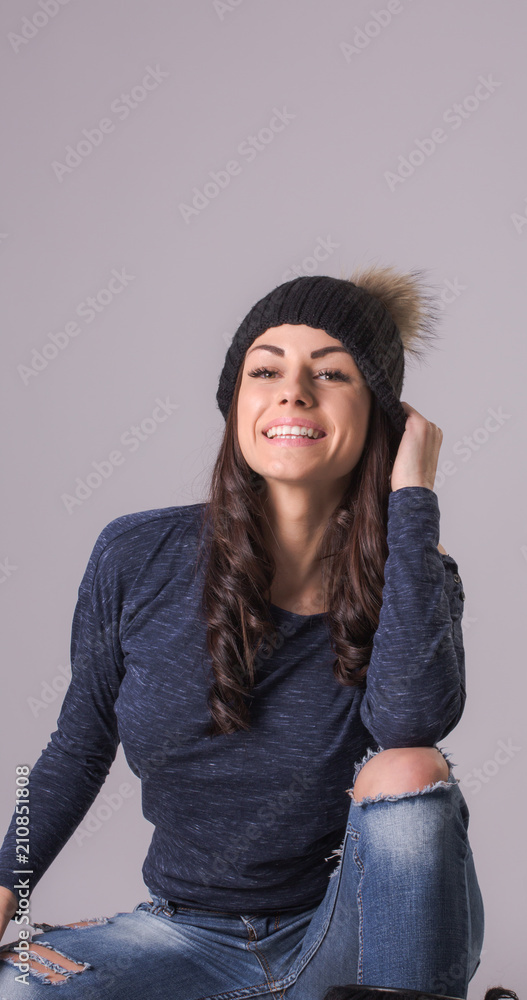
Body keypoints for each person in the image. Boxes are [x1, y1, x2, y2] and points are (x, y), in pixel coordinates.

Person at [0, 264, 487, 999]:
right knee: (19, 990)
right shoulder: (135, 555)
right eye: (266, 370)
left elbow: (411, 727)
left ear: (382, 415)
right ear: (236, 401)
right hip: (180, 937)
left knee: (409, 771)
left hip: (345, 934)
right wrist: (4, 895)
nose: (294, 391)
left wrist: (413, 499)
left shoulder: (412, 572)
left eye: (332, 373)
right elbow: (75, 748)